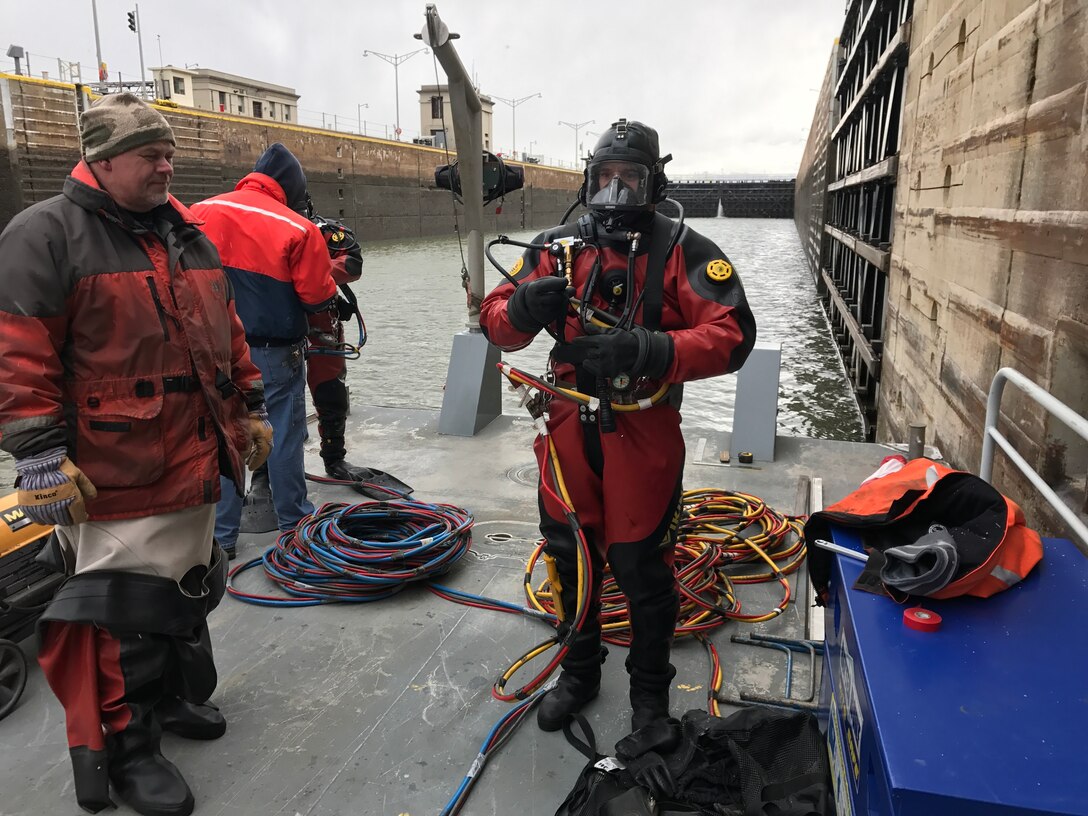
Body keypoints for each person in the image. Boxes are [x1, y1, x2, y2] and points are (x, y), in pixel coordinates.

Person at [0, 92, 271, 816]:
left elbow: (228, 332)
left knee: (187, 592)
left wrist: (249, 406)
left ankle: (173, 700)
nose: (167, 164)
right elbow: (16, 356)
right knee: (123, 620)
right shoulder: (45, 236)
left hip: (194, 458)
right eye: (151, 154)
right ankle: (130, 751)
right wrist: (38, 459)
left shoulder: (187, 235)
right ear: (103, 158)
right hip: (112, 477)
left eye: (168, 152)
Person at [479, 119, 757, 734]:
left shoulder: (683, 249)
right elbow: (496, 320)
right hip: (566, 424)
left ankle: (649, 699)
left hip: (643, 428)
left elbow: (732, 333)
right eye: (605, 179)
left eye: (630, 180)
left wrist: (654, 350)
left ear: (654, 182)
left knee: (641, 567)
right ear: (588, 178)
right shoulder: (555, 248)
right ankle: (579, 674)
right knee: (569, 554)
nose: (616, 194)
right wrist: (522, 307)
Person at [191, 144, 337, 560]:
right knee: (283, 435)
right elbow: (317, 298)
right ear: (292, 189)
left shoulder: (196, 212)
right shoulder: (298, 228)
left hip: (207, 352)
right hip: (272, 352)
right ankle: (294, 526)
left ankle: (220, 542)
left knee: (223, 437)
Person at [304, 208, 369, 481]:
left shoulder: (323, 231)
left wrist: (309, 272)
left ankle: (334, 458)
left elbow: (353, 262)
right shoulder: (255, 225)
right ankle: (264, 474)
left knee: (331, 391)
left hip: (321, 322)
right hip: (271, 323)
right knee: (271, 399)